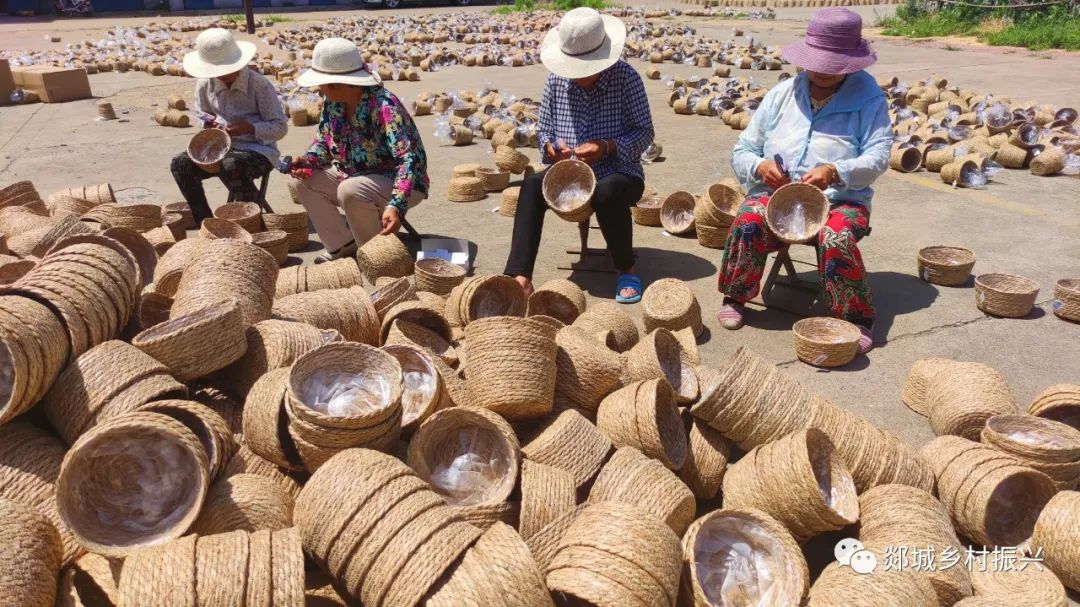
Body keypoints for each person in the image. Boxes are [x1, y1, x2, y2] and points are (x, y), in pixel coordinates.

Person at [716, 7, 891, 353]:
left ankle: (856, 316)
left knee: (835, 235)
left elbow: (878, 156)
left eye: (833, 65)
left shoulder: (869, 99)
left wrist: (835, 171)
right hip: (777, 195)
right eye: (817, 63)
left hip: (842, 199)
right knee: (749, 219)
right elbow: (743, 149)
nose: (823, 71)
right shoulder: (782, 94)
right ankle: (735, 295)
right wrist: (760, 166)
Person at [503, 7, 654, 303]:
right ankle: (519, 276)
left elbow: (645, 133)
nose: (577, 76)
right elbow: (544, 129)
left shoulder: (627, 79)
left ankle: (626, 268)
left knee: (607, 191)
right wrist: (549, 146)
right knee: (531, 186)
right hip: (569, 173)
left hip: (620, 172)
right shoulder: (556, 80)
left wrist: (607, 146)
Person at [287, 38, 429, 262]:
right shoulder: (333, 103)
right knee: (300, 181)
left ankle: (377, 258)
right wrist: (307, 161)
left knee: (351, 189)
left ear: (338, 84)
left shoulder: (384, 106)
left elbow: (407, 160)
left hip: (401, 183)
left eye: (323, 84)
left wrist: (396, 204)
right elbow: (323, 143)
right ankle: (342, 244)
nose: (319, 88)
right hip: (352, 175)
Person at [171, 28, 288, 226]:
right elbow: (201, 114)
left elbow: (280, 127)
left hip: (258, 150)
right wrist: (209, 124)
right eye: (216, 72)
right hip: (217, 149)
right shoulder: (205, 84)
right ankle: (206, 223)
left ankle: (251, 223)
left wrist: (249, 127)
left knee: (232, 165)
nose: (221, 75)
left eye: (226, 69)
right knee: (180, 164)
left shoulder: (259, 85)